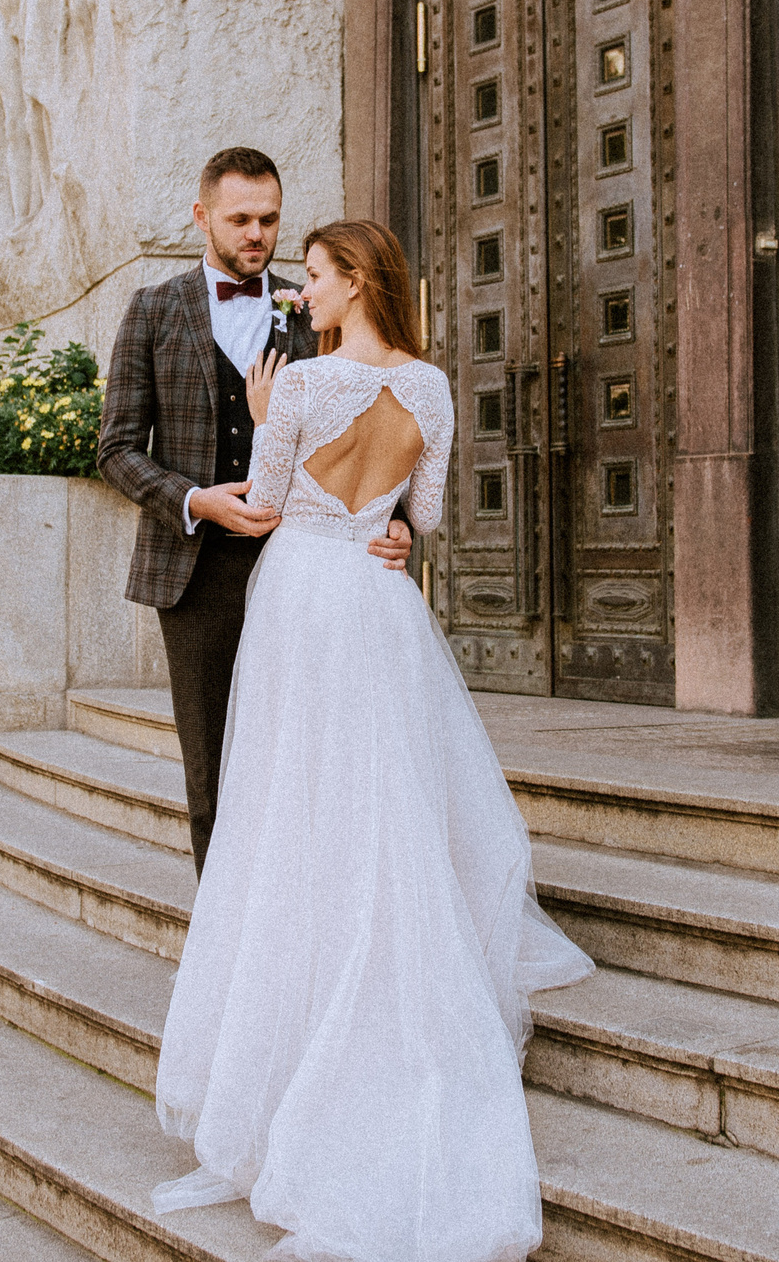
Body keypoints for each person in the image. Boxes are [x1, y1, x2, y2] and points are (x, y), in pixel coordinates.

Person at [150, 218, 593, 1262]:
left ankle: (296, 1040)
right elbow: (423, 516)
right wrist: (384, 526)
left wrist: (264, 414)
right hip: (378, 600)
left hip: (303, 593)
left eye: (313, 277)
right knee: (381, 800)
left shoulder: (298, 387)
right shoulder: (434, 386)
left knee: (291, 801)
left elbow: (261, 505)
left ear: (354, 282)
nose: (302, 295)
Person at [99, 148, 411, 871]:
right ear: (202, 216)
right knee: (211, 770)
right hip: (196, 575)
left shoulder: (319, 310)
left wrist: (400, 525)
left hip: (306, 566)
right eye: (239, 219)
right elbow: (116, 448)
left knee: (309, 759)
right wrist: (193, 500)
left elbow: (384, 429)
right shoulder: (152, 308)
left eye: (269, 219)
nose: (256, 234)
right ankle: (226, 953)